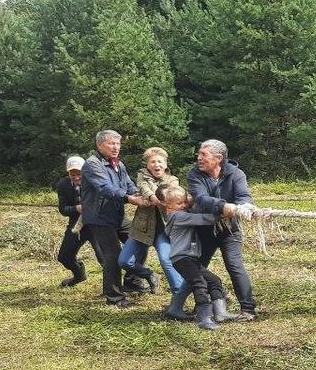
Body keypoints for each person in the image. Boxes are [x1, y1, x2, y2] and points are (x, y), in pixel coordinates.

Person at [187, 139, 256, 321]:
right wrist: (223, 206)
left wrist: (242, 207)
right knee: (195, 266)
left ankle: (248, 309)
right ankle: (202, 303)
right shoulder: (194, 174)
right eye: (199, 153)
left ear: (218, 158)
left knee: (234, 265)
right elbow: (201, 198)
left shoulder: (236, 174)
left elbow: (244, 197)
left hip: (230, 230)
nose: (199, 157)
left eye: (203, 154)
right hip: (204, 229)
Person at [79, 130, 150, 308]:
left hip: (117, 215)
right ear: (99, 144)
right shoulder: (92, 164)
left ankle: (132, 282)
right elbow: (105, 188)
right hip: (99, 217)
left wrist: (142, 194)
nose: (116, 147)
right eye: (112, 143)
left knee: (140, 241)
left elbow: (129, 185)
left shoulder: (118, 164)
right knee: (113, 254)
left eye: (118, 144)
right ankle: (114, 297)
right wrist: (129, 199)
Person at [119, 147, 188, 317]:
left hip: (164, 231)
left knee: (166, 260)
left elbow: (170, 193)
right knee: (124, 261)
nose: (156, 164)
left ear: (165, 165)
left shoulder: (173, 180)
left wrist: (161, 198)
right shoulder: (142, 175)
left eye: (160, 162)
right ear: (148, 165)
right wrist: (152, 198)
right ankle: (149, 274)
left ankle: (178, 298)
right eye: (153, 162)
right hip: (141, 228)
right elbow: (143, 187)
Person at [159, 185, 240, 330]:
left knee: (214, 281)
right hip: (182, 259)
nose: (184, 205)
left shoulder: (180, 211)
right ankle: (203, 318)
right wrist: (222, 214)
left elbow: (192, 205)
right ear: (168, 206)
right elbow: (201, 218)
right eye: (179, 204)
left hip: (191, 258)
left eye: (184, 202)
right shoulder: (177, 216)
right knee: (199, 283)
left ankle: (220, 312)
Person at [54, 155, 90, 288]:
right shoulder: (63, 184)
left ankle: (114, 287)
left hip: (95, 224)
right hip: (76, 224)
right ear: (67, 172)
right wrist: (77, 208)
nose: (76, 177)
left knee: (104, 258)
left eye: (79, 173)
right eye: (72, 173)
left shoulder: (94, 181)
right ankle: (79, 275)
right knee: (64, 257)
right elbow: (63, 209)